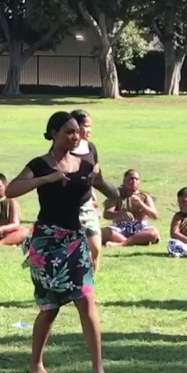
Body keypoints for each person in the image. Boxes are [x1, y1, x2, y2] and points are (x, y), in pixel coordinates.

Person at [5, 111, 110, 373]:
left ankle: (98, 367)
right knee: (50, 307)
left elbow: (113, 193)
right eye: (69, 132)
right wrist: (46, 179)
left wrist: (105, 185)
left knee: (86, 300)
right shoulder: (39, 165)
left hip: (75, 240)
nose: (75, 136)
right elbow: (11, 190)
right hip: (46, 242)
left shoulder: (86, 164)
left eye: (77, 131)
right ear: (54, 133)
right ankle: (35, 362)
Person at [70, 110, 115, 271]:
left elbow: (96, 175)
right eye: (86, 126)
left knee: (95, 249)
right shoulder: (64, 150)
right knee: (73, 254)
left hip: (88, 204)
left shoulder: (91, 148)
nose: (89, 130)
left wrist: (95, 195)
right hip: (69, 207)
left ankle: (89, 290)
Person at [102, 169, 160, 248]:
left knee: (153, 232)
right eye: (131, 179)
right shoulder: (116, 195)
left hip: (140, 228)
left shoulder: (144, 196)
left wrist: (140, 203)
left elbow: (155, 215)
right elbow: (106, 214)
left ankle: (122, 243)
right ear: (124, 181)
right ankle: (136, 241)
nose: (134, 181)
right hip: (120, 228)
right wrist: (121, 214)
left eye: (136, 179)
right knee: (103, 232)